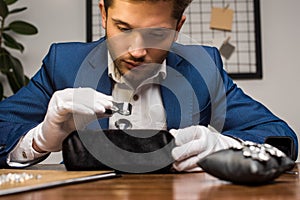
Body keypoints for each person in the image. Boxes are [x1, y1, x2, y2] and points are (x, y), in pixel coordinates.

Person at [0, 0, 297, 172]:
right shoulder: (63, 63)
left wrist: (224, 146)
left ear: (178, 28)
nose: (137, 51)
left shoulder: (203, 68)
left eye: (156, 34)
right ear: (103, 13)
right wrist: (39, 139)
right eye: (123, 29)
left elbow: (280, 136)